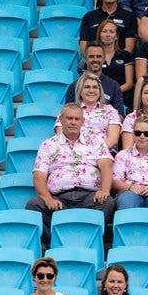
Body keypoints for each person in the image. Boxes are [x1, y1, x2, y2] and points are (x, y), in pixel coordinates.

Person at [27, 105, 114, 249]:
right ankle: (60, 240)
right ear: (61, 120)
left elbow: (106, 166)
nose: (73, 122)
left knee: (108, 202)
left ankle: (82, 240)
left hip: (89, 198)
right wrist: (48, 199)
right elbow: (38, 175)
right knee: (33, 206)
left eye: (76, 119)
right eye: (69, 118)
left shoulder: (96, 141)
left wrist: (104, 190)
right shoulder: (48, 145)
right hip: (59, 200)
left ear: (82, 121)